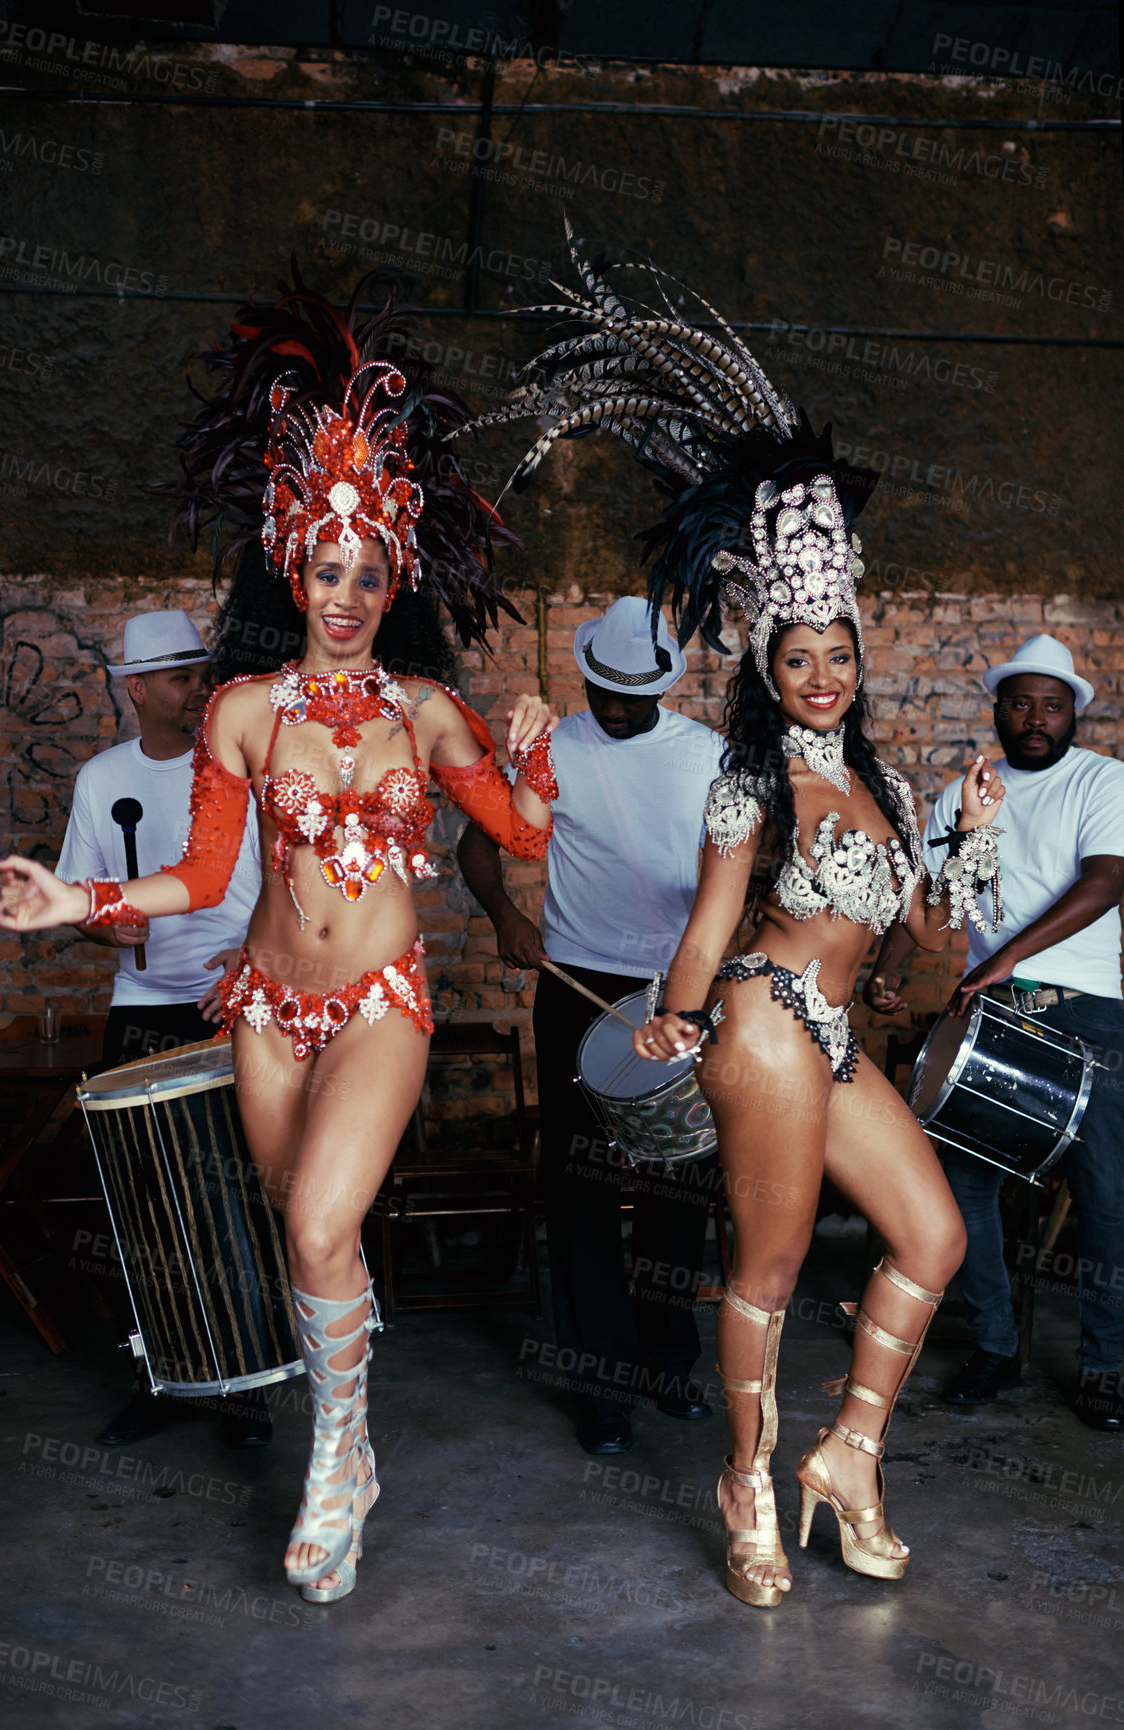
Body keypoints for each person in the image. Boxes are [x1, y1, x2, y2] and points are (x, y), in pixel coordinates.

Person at [0, 271, 557, 1605]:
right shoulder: (242, 711)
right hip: (261, 1007)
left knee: (314, 1224)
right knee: (313, 1237)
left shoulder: (424, 710)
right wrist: (81, 903)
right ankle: (350, 1442)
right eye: (326, 564)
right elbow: (198, 874)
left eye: (371, 570)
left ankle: (333, 1451)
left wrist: (534, 755)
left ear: (392, 574)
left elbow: (522, 835)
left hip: (375, 1000)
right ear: (290, 562)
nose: (348, 589)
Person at [464, 227, 1003, 1610]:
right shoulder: (746, 774)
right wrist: (673, 1017)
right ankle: (744, 1486)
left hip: (829, 1032)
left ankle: (847, 1456)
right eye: (797, 654)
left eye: (837, 653)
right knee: (761, 1266)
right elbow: (708, 927)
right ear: (765, 662)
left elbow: (911, 954)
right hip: (758, 1024)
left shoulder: (877, 784)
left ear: (856, 660)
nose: (821, 672)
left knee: (930, 1238)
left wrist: (968, 852)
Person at [458, 595, 724, 1455]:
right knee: (577, 1189)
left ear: (663, 684)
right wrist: (503, 913)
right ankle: (602, 1390)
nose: (612, 704)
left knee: (678, 1183)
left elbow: (739, 871)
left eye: (629, 692)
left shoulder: (707, 757)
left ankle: (667, 1362)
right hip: (576, 984)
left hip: (677, 989)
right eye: (599, 686)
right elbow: (478, 843)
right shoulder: (554, 747)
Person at [867, 634, 1124, 1431]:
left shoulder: (1104, 781)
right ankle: (994, 1344)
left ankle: (1106, 1366)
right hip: (993, 1008)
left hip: (1085, 1009)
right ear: (998, 710)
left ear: (1073, 712)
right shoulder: (964, 794)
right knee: (958, 1185)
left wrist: (1007, 955)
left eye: (1053, 705)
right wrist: (890, 966)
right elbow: (933, 892)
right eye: (1022, 703)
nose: (1037, 718)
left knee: (1106, 1196)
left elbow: (1108, 879)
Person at [56, 608, 267, 1448]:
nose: (195, 692)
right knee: (142, 1204)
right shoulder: (102, 781)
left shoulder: (241, 769)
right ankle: (168, 1377)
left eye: (201, 675)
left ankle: (247, 1387)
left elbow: (296, 885)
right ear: (137, 689)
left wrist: (252, 959)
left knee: (234, 1201)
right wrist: (105, 926)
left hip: (230, 1006)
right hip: (143, 1011)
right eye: (178, 678)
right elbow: (82, 895)